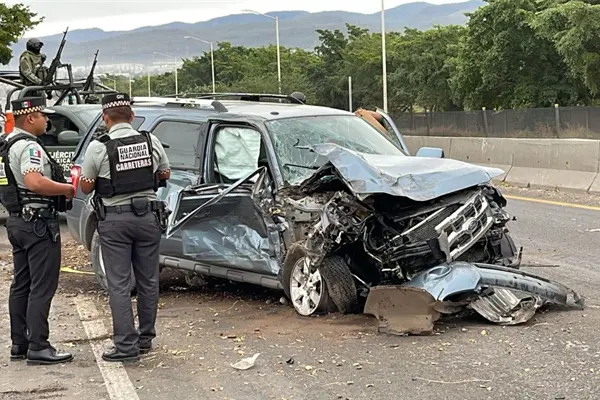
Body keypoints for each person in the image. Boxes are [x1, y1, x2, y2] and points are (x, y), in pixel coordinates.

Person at [79, 93, 170, 363]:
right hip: (148, 218)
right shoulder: (150, 140)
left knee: (119, 284)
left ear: (105, 118)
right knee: (148, 281)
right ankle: (145, 339)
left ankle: (126, 346)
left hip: (115, 221)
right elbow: (165, 173)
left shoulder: (99, 147)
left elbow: (85, 185)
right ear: (131, 117)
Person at [0, 96, 75, 365]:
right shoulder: (29, 146)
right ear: (30, 117)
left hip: (17, 221)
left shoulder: (5, 145)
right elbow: (34, 181)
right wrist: (67, 188)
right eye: (43, 115)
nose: (46, 120)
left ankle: (19, 343)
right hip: (38, 223)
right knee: (42, 286)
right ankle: (39, 346)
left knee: (21, 284)